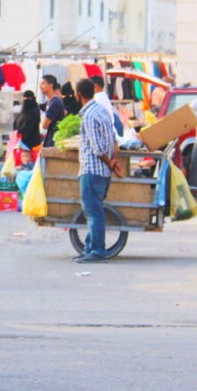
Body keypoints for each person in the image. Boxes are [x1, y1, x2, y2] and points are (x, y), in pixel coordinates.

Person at [73, 78, 123, 264]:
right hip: (102, 172)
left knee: (93, 212)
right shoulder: (102, 110)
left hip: (92, 170)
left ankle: (98, 251)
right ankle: (89, 248)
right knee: (94, 211)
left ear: (79, 95)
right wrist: (112, 161)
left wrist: (110, 161)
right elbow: (113, 139)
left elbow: (98, 148)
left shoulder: (89, 116)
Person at [13, 90, 43, 167]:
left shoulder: (34, 111)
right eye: (25, 98)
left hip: (32, 145)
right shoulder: (23, 111)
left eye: (28, 98)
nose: (26, 100)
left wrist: (20, 132)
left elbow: (29, 127)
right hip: (22, 144)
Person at [40, 75, 66, 148]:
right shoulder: (51, 101)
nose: (40, 86)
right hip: (51, 138)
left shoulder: (55, 103)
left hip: (54, 140)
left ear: (51, 85)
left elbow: (44, 125)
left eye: (43, 83)